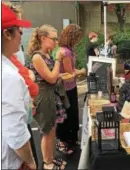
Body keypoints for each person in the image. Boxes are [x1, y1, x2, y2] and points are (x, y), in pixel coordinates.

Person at [2, 1, 39, 168]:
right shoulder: (9, 77)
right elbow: (16, 134)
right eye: (18, 28)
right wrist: (30, 160)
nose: (21, 32)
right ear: (7, 34)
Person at [28, 25, 67, 169]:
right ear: (43, 38)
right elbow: (50, 78)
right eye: (54, 39)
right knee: (46, 131)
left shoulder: (47, 55)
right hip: (43, 97)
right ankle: (47, 163)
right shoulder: (37, 57)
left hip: (51, 95)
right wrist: (58, 60)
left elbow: (52, 76)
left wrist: (59, 75)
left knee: (52, 129)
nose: (56, 42)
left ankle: (51, 158)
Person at [55, 24, 86, 154]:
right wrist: (82, 71)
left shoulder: (68, 49)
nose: (79, 40)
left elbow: (72, 71)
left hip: (70, 87)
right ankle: (63, 141)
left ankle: (71, 140)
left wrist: (79, 71)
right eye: (77, 38)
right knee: (67, 115)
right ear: (72, 37)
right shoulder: (66, 52)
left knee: (72, 114)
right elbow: (69, 73)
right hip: (65, 89)